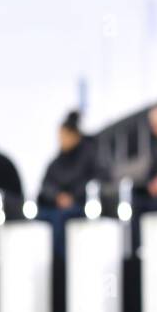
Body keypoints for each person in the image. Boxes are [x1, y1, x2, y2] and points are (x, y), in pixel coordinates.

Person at [36, 110, 102, 256]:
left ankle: (61, 260)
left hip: (81, 205)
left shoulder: (89, 156)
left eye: (64, 136)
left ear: (74, 136)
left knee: (60, 218)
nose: (61, 139)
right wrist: (57, 197)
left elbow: (95, 180)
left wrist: (72, 197)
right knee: (40, 218)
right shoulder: (56, 161)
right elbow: (45, 185)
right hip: (56, 206)